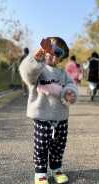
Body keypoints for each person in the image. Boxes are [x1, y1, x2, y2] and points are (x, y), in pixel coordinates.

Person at [19, 37, 78, 184]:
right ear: (44, 50)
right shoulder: (38, 70)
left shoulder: (63, 74)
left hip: (61, 117)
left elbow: (71, 85)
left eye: (58, 52)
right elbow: (27, 73)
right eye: (50, 49)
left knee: (59, 144)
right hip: (42, 116)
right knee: (41, 145)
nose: (53, 54)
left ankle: (56, 169)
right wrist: (35, 59)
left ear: (61, 57)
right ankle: (40, 172)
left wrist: (70, 93)